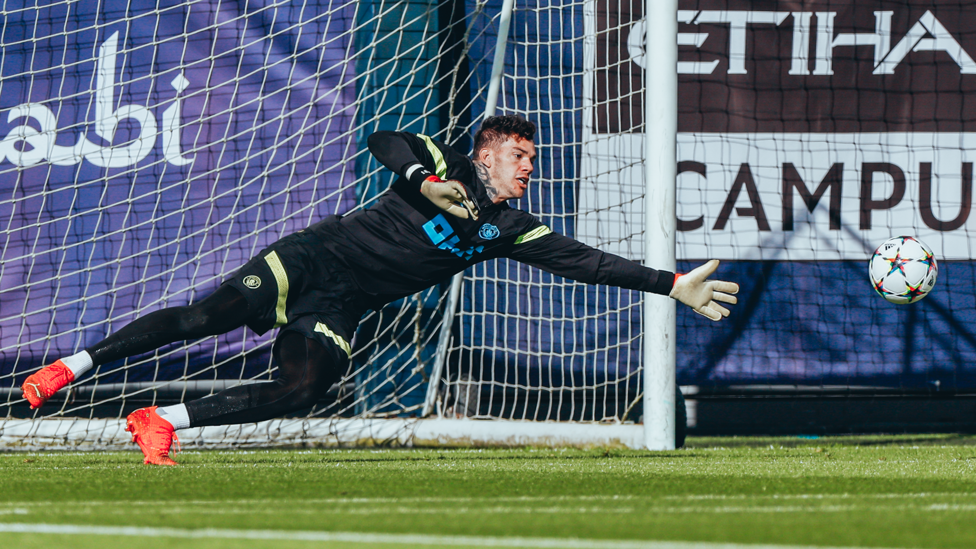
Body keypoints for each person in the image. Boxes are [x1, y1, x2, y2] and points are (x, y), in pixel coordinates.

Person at [21, 115, 738, 465]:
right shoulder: (446, 162)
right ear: (487, 151)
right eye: (520, 156)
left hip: (340, 306)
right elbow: (384, 141)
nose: (528, 169)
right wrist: (428, 183)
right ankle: (68, 368)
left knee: (303, 388)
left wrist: (672, 283)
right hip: (313, 258)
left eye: (531, 160)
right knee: (204, 316)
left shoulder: (509, 225)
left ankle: (165, 419)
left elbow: (588, 262)